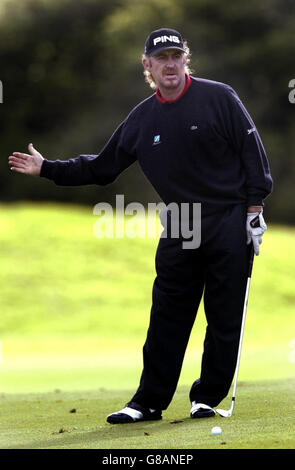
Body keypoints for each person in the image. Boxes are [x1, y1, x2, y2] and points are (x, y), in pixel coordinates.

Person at [8, 28, 273, 424]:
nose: (170, 64)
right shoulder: (142, 118)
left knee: (223, 317)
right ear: (147, 65)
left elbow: (252, 151)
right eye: (161, 58)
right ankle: (147, 402)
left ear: (186, 59)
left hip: (229, 218)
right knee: (167, 317)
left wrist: (255, 205)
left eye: (176, 56)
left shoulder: (219, 97)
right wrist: (48, 168)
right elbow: (102, 167)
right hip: (181, 223)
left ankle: (206, 398)